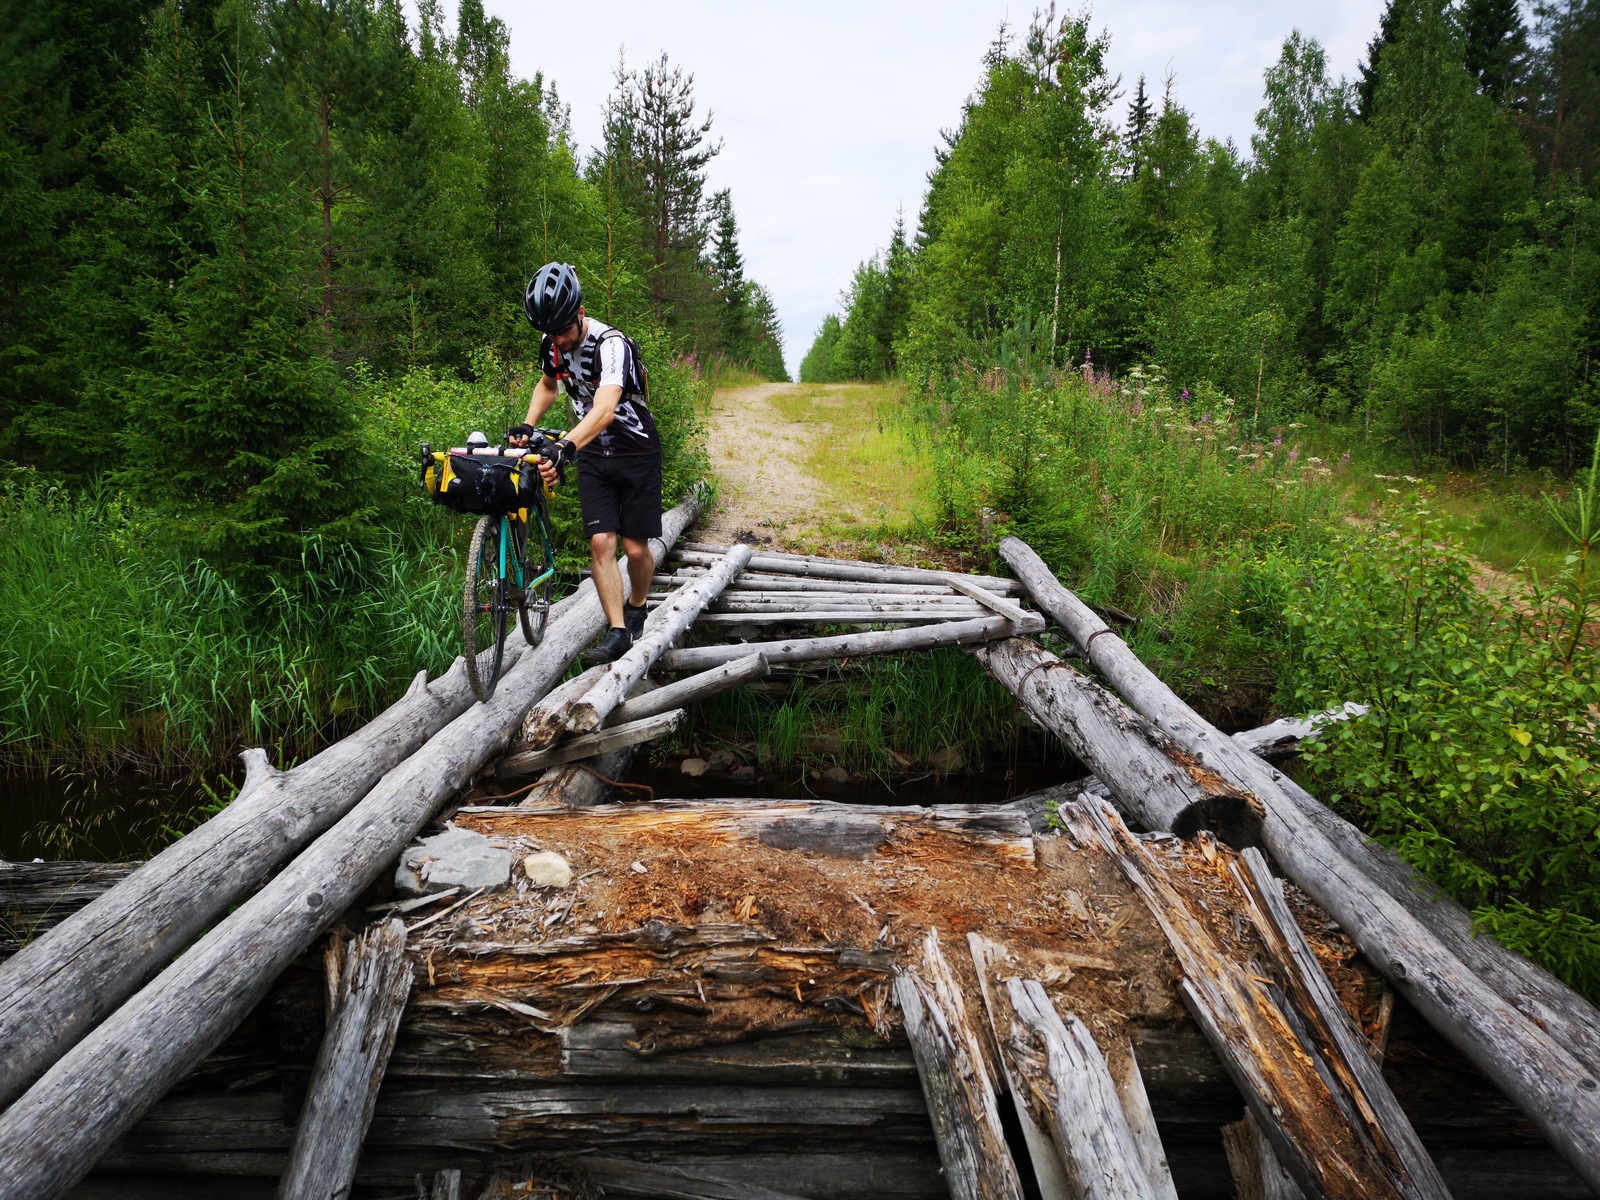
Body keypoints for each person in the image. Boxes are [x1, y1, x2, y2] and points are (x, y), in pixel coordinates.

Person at [513, 262, 661, 664]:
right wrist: (530, 424)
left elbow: (607, 408)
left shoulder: (612, 345)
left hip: (635, 448)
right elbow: (548, 384)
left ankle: (638, 604)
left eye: (563, 329)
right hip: (593, 451)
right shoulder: (552, 343)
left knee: (634, 549)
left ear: (580, 313)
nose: (558, 340)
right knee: (601, 542)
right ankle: (616, 631)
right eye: (550, 332)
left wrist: (565, 448)